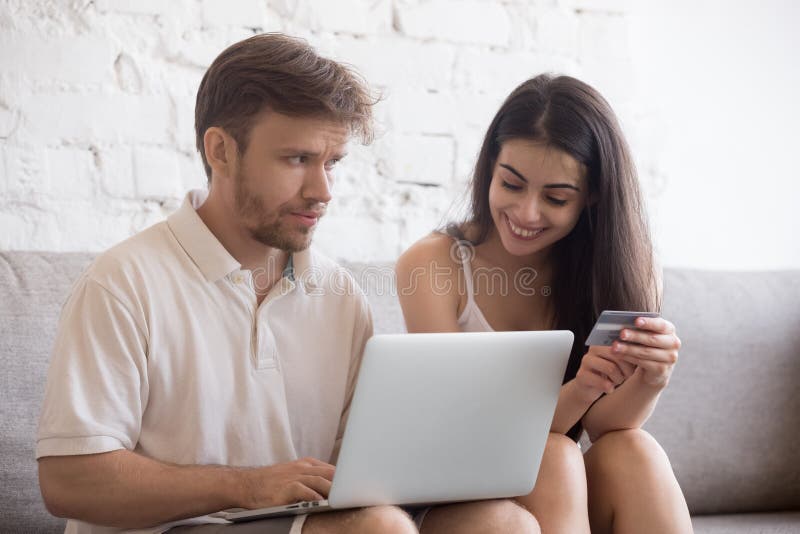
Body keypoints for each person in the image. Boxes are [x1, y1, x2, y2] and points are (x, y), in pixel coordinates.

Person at [36, 33, 539, 534]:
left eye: (332, 163)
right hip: (178, 528)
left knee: (503, 523)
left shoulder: (339, 294)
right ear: (220, 151)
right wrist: (247, 486)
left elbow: (360, 475)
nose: (322, 191)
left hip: (297, 523)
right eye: (297, 159)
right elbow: (69, 481)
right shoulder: (123, 284)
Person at [396, 74, 694, 534]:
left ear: (592, 196)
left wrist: (652, 378)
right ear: (489, 167)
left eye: (556, 197)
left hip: (558, 483)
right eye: (511, 184)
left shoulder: (625, 266)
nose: (526, 214)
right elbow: (466, 434)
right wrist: (577, 391)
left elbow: (606, 428)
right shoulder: (433, 264)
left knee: (635, 451)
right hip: (462, 490)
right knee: (553, 453)